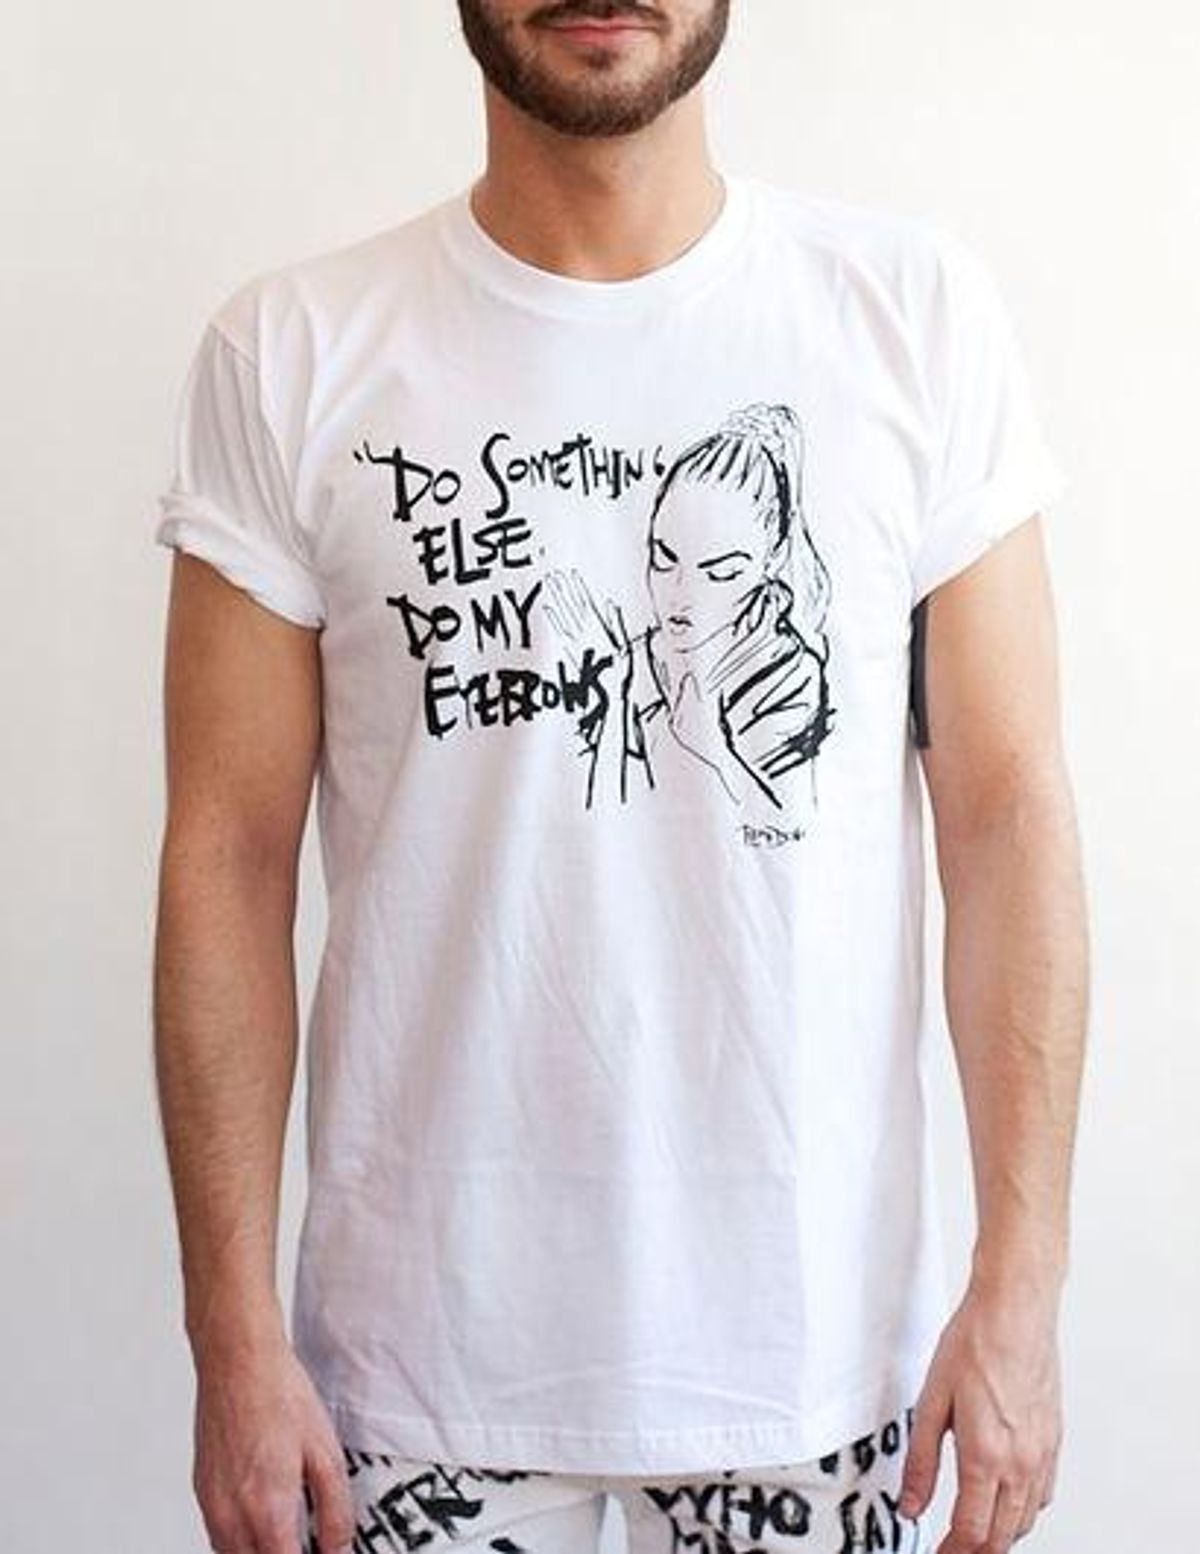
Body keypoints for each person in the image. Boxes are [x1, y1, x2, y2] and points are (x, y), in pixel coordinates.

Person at [150, 4, 1090, 1553]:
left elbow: (1009, 820)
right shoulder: (293, 352)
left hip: (816, 1373)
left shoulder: (911, 318)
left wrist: (1023, 1288)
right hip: (408, 1388)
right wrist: (230, 1335)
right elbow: (225, 860)